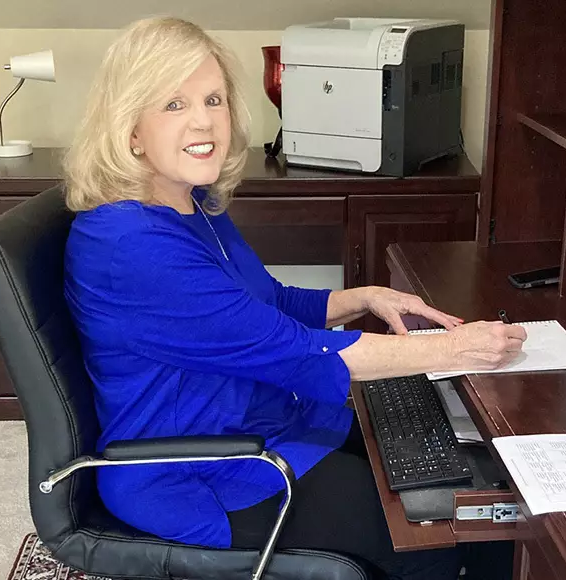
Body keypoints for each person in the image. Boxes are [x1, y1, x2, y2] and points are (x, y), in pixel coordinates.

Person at [62, 16, 527, 580]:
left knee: (463, 476)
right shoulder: (132, 245)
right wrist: (457, 351)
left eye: (213, 99)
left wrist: (363, 297)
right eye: (173, 105)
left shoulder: (189, 203)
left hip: (258, 423)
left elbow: (266, 304)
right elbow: (296, 354)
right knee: (430, 529)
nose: (204, 120)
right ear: (131, 130)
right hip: (204, 470)